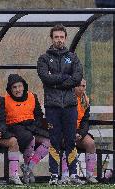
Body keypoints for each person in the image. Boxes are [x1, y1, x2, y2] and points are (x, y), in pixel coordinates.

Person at [37, 24, 84, 185]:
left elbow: (77, 77)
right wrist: (66, 78)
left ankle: (73, 174)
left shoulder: (73, 57)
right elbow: (45, 77)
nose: (59, 40)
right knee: (54, 140)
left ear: (65, 38)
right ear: (52, 38)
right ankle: (54, 175)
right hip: (53, 107)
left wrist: (57, 80)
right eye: (56, 37)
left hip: (70, 106)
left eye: (61, 37)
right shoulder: (44, 58)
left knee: (70, 140)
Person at [4, 74, 50, 184]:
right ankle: (27, 171)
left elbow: (38, 114)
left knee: (49, 141)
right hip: (15, 127)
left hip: (31, 126)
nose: (17, 90)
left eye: (19, 86)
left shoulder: (32, 96)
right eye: (14, 87)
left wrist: (36, 124)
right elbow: (1, 118)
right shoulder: (4, 100)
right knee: (30, 138)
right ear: (10, 89)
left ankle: (28, 168)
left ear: (24, 86)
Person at [61, 79, 98, 184]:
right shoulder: (65, 98)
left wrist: (81, 134)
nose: (82, 88)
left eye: (84, 86)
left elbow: (85, 121)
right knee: (66, 143)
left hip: (78, 132)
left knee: (90, 143)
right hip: (66, 132)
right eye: (79, 86)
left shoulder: (85, 100)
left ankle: (89, 175)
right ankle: (65, 175)